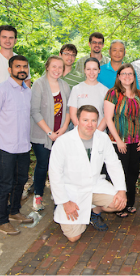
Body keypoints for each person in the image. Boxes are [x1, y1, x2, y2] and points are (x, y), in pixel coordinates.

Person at [49, 105, 127, 242]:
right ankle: (61, 206)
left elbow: (113, 164)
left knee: (118, 203)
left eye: (93, 120)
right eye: (85, 120)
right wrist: (65, 202)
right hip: (72, 191)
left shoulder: (103, 138)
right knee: (74, 237)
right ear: (77, 120)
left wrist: (121, 190)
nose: (90, 125)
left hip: (95, 185)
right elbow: (55, 175)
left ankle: (93, 209)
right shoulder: (63, 142)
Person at [104, 64, 140, 217]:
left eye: (130, 74)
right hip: (118, 142)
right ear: (119, 76)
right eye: (124, 74)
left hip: (135, 140)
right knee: (119, 174)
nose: (127, 76)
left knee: (132, 173)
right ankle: (118, 206)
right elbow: (108, 119)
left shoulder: (139, 94)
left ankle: (129, 203)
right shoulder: (112, 93)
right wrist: (118, 140)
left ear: (134, 77)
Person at [30, 56, 71, 211]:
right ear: (47, 67)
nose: (57, 70)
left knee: (59, 166)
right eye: (54, 66)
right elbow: (35, 111)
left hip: (61, 134)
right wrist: (49, 132)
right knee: (43, 164)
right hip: (41, 135)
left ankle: (58, 195)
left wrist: (64, 128)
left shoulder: (65, 85)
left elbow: (68, 109)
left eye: (60, 67)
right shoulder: (39, 85)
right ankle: (38, 196)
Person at [0, 55, 33, 235]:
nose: (22, 69)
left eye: (25, 66)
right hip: (6, 146)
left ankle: (14, 212)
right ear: (9, 69)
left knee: (21, 181)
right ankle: (2, 220)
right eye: (18, 66)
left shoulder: (27, 91)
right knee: (5, 184)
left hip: (23, 146)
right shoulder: (3, 89)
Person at [68, 58, 108, 131]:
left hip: (99, 133)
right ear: (84, 70)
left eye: (95, 69)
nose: (91, 72)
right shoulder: (76, 89)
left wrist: (97, 133)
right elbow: (73, 114)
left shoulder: (105, 90)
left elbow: (107, 116)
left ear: (99, 70)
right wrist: (82, 131)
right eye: (88, 69)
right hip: (79, 133)